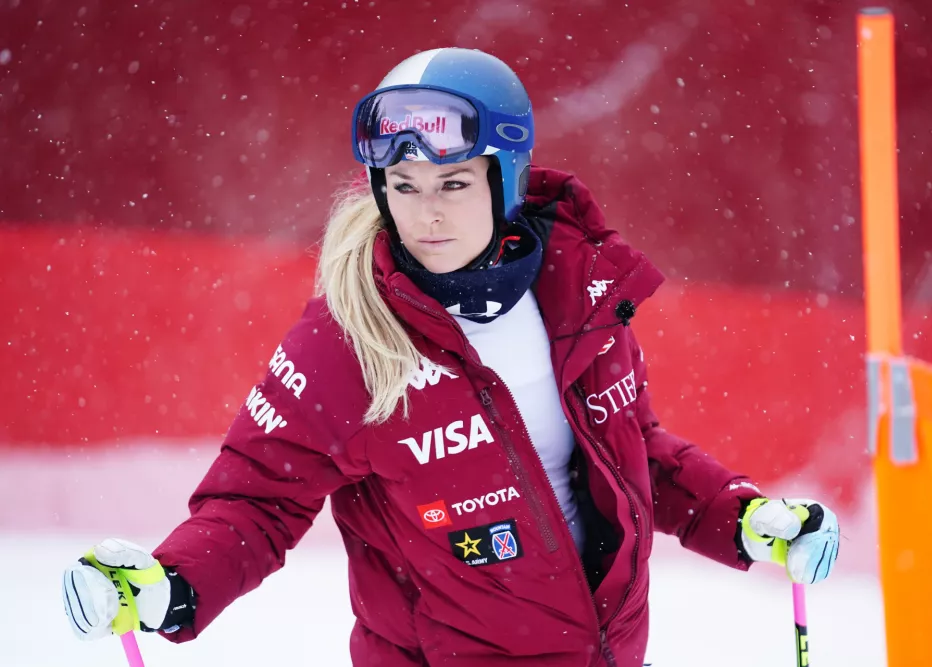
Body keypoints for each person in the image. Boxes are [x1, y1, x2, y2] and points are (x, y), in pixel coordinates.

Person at [62, 47, 840, 666]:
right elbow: (257, 501)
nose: (424, 212)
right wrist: (168, 584)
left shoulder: (582, 296)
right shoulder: (350, 337)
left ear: (506, 177)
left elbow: (630, 447)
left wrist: (744, 518)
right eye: (401, 183)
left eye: (454, 183)